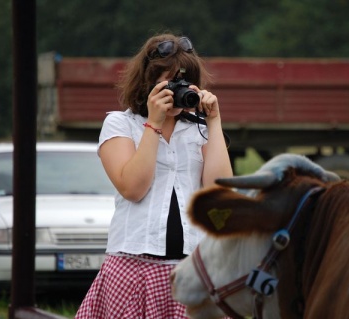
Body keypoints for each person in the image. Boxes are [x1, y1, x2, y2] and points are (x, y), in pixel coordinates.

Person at [75, 33, 233, 318]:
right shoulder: (120, 124)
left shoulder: (200, 129)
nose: (177, 91)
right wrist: (154, 123)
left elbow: (218, 193)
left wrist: (214, 121)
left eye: (184, 83)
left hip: (191, 271)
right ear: (148, 83)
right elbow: (133, 188)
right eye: (170, 83)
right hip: (132, 269)